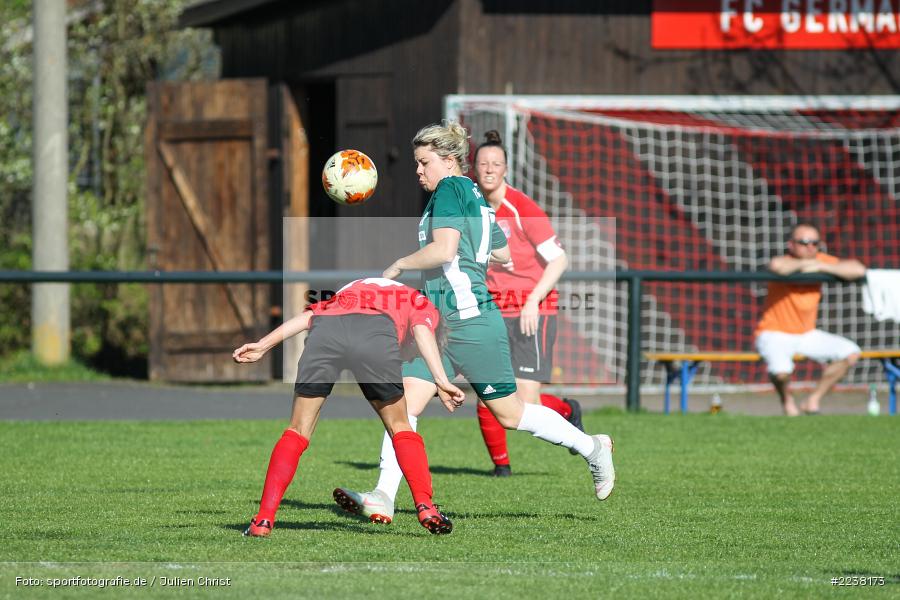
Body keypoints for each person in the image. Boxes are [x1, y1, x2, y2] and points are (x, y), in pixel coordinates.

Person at [331, 121, 615, 526]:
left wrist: (400, 264)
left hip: (471, 322)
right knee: (403, 404)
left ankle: (592, 448)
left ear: (448, 161)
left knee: (512, 415)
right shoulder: (474, 195)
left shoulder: (450, 189)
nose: (418, 170)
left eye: (423, 162)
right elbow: (502, 255)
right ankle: (383, 495)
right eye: (417, 162)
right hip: (438, 325)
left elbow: (444, 250)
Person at [234, 278, 465, 537]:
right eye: (414, 354)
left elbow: (310, 318)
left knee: (297, 430)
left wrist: (263, 345)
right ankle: (426, 508)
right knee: (400, 425)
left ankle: (263, 520)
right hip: (376, 334)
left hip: (325, 332)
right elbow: (423, 332)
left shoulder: (349, 290)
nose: (409, 357)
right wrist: (441, 380)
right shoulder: (419, 301)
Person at [473, 130, 582, 477]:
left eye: (496, 164)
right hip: (493, 311)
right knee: (486, 394)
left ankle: (566, 409)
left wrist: (533, 301)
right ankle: (501, 468)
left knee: (526, 403)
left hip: (532, 310)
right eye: (483, 164)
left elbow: (559, 260)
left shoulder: (522, 208)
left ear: (505, 169)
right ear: (474, 168)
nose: (489, 170)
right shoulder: (472, 209)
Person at [756, 223, 867, 415]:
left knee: (850, 353)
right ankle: (787, 400)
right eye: (804, 242)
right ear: (791, 245)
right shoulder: (786, 261)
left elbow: (858, 269)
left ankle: (812, 400)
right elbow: (777, 266)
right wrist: (809, 265)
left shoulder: (820, 260)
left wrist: (820, 266)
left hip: (807, 334)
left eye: (815, 243)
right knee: (781, 373)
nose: (810, 247)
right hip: (774, 332)